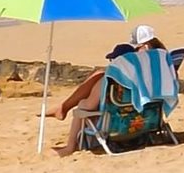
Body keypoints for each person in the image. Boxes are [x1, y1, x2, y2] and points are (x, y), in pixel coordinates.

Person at [44, 23, 165, 154]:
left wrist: (81, 103)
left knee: (81, 108)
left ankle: (70, 147)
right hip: (147, 118)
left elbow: (88, 106)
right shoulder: (154, 75)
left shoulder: (109, 82)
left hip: (118, 125)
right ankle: (62, 108)